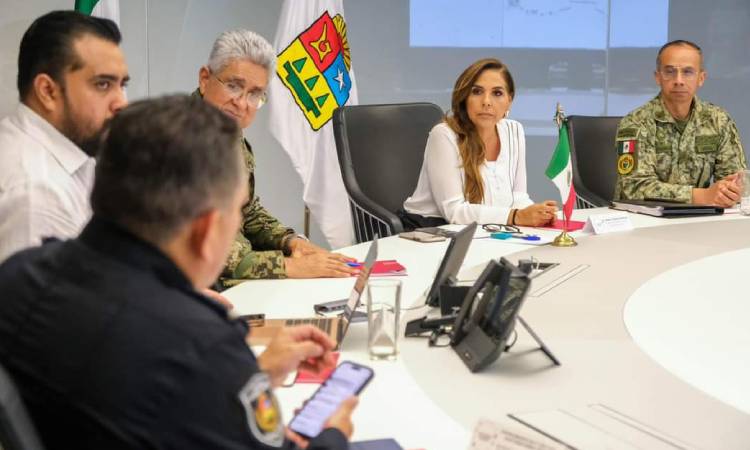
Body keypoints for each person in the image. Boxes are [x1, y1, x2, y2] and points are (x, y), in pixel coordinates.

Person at [0, 95, 356, 450]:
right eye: (236, 211)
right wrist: (333, 435)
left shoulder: (18, 276)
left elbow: (121, 396)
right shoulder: (203, 346)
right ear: (207, 230)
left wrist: (247, 378)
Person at [195, 29, 356, 286]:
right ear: (205, 79)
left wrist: (291, 242)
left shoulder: (228, 133)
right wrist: (290, 265)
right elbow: (216, 253)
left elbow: (248, 211)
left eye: (254, 94)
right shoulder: (180, 143)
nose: (242, 103)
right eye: (234, 86)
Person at [0, 10, 128, 263]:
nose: (121, 103)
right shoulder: (37, 192)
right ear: (48, 91)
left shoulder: (70, 148)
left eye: (122, 85)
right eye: (103, 84)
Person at [401, 58, 557, 228]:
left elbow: (518, 197)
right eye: (477, 92)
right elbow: (454, 211)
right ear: (464, 98)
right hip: (432, 229)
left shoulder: (514, 130)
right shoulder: (444, 135)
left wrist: (538, 214)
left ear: (509, 101)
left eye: (497, 93)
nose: (486, 102)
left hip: (484, 230)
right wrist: (516, 216)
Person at [614, 40, 747, 206]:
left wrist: (729, 193)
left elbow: (735, 180)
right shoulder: (635, 123)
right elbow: (634, 187)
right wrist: (701, 196)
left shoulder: (718, 120)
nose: (678, 80)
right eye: (670, 72)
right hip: (644, 217)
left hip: (702, 216)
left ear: (701, 78)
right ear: (658, 77)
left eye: (688, 72)